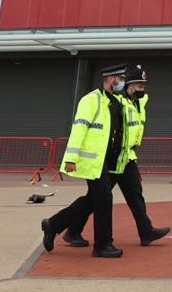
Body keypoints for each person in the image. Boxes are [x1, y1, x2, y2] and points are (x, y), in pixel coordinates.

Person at [62, 64, 171, 249]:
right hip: (115, 157)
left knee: (136, 195)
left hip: (128, 156)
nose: (142, 88)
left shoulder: (140, 103)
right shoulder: (116, 103)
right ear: (128, 84)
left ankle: (146, 232)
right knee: (96, 199)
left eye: (144, 85)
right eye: (139, 84)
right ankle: (71, 230)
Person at [40, 64, 134, 258]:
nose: (122, 82)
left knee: (93, 199)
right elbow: (79, 129)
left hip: (110, 161)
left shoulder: (117, 102)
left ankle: (53, 224)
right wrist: (71, 158)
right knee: (104, 200)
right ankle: (103, 245)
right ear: (110, 79)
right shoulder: (91, 100)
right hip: (94, 161)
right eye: (120, 78)